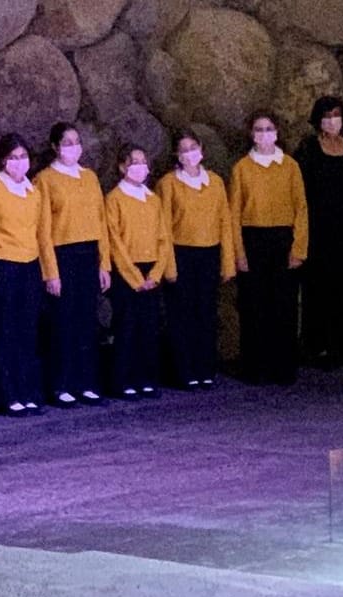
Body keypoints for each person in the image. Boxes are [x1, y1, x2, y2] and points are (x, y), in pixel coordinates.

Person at [0, 133, 52, 417]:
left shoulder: (33, 192)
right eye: (13, 158)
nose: (19, 163)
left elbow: (42, 233)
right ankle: (4, 395)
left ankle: (26, 391)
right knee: (3, 331)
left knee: (26, 331)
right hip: (0, 264)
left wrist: (46, 270)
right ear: (3, 160)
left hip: (29, 264)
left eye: (23, 157)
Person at [230, 110, 307, 384]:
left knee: (284, 306)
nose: (264, 134)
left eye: (269, 128)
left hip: (282, 240)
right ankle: (255, 368)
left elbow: (301, 209)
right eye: (259, 129)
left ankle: (283, 367)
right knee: (254, 306)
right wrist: (239, 253)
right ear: (251, 134)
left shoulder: (290, 166)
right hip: (253, 240)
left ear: (277, 132)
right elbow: (234, 214)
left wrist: (298, 249)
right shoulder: (241, 168)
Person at [39, 122, 109, 407]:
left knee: (86, 320)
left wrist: (104, 264)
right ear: (55, 147)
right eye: (66, 142)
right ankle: (61, 384)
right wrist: (51, 272)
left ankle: (86, 381)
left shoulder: (90, 177)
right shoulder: (45, 179)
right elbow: (43, 230)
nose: (73, 147)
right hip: (62, 254)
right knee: (63, 322)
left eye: (76, 141)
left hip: (88, 254)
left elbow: (101, 222)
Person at [158, 130, 233, 390]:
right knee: (182, 315)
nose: (190, 153)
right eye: (184, 149)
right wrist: (169, 266)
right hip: (181, 254)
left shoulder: (215, 182)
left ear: (201, 148)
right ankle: (185, 370)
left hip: (209, 254)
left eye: (193, 147)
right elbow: (164, 227)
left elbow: (225, 222)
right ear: (177, 155)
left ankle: (205, 368)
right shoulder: (168, 183)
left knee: (206, 313)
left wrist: (228, 262)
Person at [295, 94, 343, 368]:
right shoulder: (309, 147)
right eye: (326, 115)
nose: (332, 120)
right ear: (318, 119)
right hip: (318, 224)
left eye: (336, 114)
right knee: (318, 285)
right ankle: (317, 346)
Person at [103, 145, 172, 400]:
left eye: (144, 161)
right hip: (127, 274)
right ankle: (124, 380)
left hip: (151, 271)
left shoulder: (153, 199)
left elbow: (164, 238)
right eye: (134, 162)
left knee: (149, 327)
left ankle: (146, 378)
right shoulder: (114, 199)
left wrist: (155, 274)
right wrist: (134, 277)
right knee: (127, 328)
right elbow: (115, 241)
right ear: (122, 167)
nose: (140, 166)